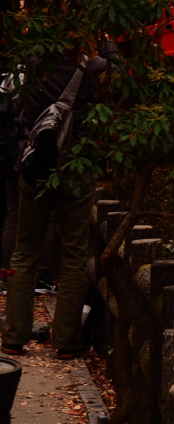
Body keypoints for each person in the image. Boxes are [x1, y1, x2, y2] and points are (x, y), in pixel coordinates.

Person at [1, 49, 107, 360]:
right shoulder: (95, 66)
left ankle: (13, 337)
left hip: (35, 164)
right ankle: (66, 341)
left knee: (25, 248)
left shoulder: (31, 61)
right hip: (78, 165)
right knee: (74, 251)